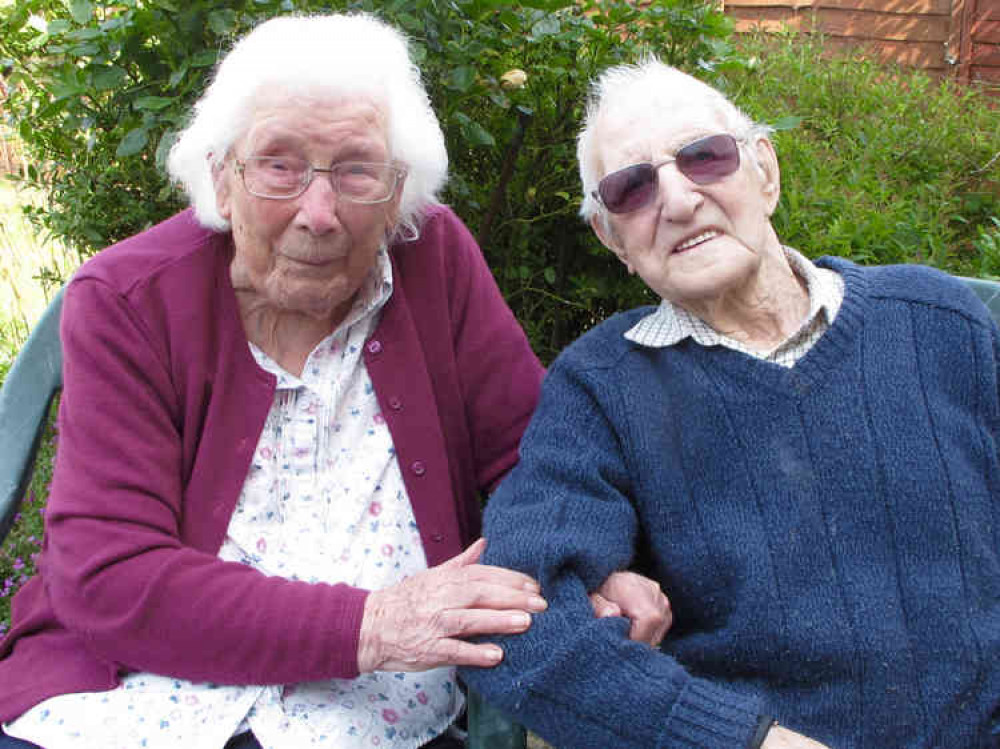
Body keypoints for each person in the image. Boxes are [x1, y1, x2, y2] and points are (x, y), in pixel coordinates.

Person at [0, 15, 670, 749]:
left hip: (374, 714)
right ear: (222, 178)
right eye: (279, 166)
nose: (318, 215)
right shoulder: (129, 298)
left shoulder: (435, 260)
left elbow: (537, 458)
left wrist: (585, 568)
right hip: (129, 697)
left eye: (355, 170)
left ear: (396, 192)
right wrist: (374, 622)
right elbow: (111, 575)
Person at [461, 58, 1000, 749]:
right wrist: (739, 739)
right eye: (631, 188)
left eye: (704, 157)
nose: (679, 200)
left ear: (765, 172)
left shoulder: (941, 321)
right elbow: (516, 617)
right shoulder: (601, 387)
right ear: (611, 238)